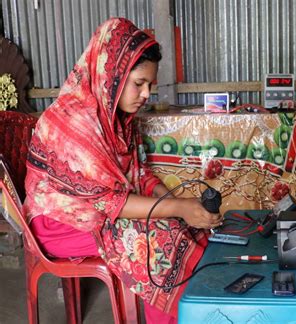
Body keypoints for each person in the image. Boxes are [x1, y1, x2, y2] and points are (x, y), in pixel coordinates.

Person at [24, 17, 222, 323]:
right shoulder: (73, 123)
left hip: (97, 212)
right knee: (158, 243)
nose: (145, 95)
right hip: (58, 222)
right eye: (138, 84)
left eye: (149, 86)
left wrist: (170, 200)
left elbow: (137, 174)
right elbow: (107, 202)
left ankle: (203, 311)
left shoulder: (115, 119)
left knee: (186, 226)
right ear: (111, 75)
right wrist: (177, 208)